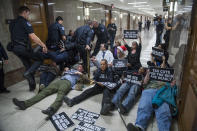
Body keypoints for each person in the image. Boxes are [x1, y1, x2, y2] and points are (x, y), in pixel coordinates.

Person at [12, 64, 90, 116]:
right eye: (78, 66)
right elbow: (60, 73)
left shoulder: (81, 75)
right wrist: (64, 71)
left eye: (80, 67)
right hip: (59, 81)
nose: (79, 67)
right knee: (44, 92)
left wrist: (81, 74)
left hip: (67, 83)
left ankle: (52, 109)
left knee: (60, 95)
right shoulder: (71, 70)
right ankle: (25, 104)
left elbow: (88, 81)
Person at [9, 6, 47, 91]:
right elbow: (33, 36)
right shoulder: (24, 22)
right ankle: (27, 73)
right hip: (23, 48)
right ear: (25, 12)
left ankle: (32, 87)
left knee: (28, 66)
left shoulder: (12, 22)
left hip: (15, 48)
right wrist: (43, 45)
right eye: (28, 14)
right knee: (40, 59)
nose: (28, 16)